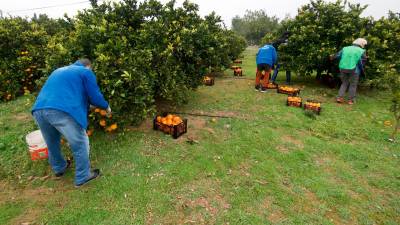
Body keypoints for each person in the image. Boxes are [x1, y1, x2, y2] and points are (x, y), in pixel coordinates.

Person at [31, 59, 110, 187]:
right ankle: (83, 176)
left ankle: (59, 168)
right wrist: (106, 106)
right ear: (88, 66)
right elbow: (95, 97)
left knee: (52, 142)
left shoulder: (58, 71)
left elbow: (67, 95)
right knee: (80, 141)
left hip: (39, 109)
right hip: (61, 110)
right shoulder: (85, 72)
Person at [332, 38, 368, 105]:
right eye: (364, 44)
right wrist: (362, 72)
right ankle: (350, 100)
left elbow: (337, 56)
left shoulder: (345, 48)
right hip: (355, 70)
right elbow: (362, 62)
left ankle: (339, 98)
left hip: (343, 68)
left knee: (344, 83)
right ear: (362, 44)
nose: (364, 46)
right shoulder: (362, 51)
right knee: (353, 85)